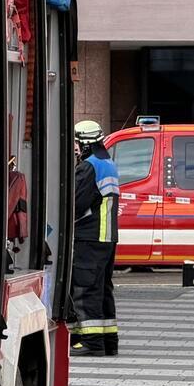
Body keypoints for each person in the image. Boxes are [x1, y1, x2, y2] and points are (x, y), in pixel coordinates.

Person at [70, 120, 120, 356]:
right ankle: (109, 340)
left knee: (85, 288)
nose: (76, 148)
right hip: (107, 237)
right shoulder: (107, 163)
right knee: (102, 288)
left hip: (89, 236)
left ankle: (91, 342)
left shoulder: (89, 167)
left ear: (85, 143)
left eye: (78, 143)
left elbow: (76, 203)